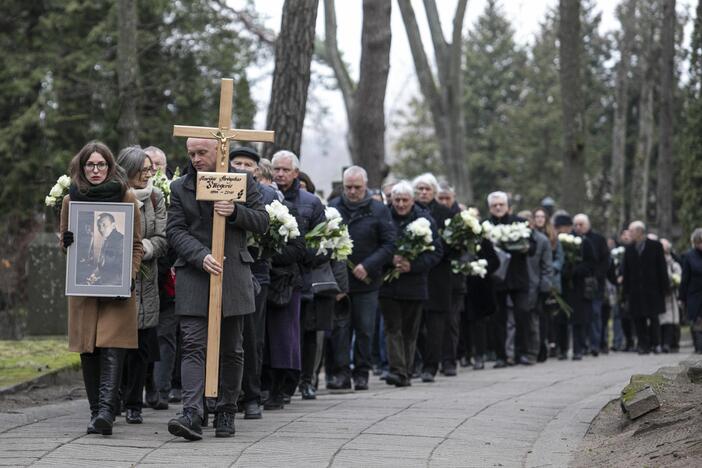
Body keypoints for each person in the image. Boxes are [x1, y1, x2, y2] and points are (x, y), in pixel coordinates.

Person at [166, 138, 268, 441]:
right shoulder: (180, 187)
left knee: (232, 348)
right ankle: (192, 413)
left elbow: (262, 222)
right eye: (191, 154)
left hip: (233, 273)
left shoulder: (243, 181)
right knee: (193, 344)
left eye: (201, 153)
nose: (196, 159)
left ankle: (226, 409)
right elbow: (174, 230)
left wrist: (236, 212)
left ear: (219, 152)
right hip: (196, 274)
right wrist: (200, 256)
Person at [59, 141, 143, 436]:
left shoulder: (126, 197)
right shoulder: (72, 200)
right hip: (84, 289)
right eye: (90, 165)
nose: (95, 170)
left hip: (118, 287)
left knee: (112, 343)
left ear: (110, 167)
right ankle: (96, 411)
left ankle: (107, 411)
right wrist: (66, 242)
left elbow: (136, 245)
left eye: (101, 164)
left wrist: (129, 275)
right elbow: (65, 246)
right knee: (88, 346)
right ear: (82, 168)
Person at [265, 150, 325, 407]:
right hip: (266, 278)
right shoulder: (264, 196)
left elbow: (319, 244)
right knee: (266, 336)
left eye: (285, 170)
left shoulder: (310, 202)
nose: (280, 174)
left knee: (287, 336)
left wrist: (287, 258)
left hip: (294, 279)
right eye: (276, 169)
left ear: (296, 173)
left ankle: (286, 385)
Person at [327, 166, 396, 391]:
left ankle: (362, 372)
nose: (353, 191)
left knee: (365, 329)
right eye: (348, 187)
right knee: (340, 329)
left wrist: (368, 265)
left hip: (367, 281)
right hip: (340, 280)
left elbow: (388, 244)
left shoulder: (378, 210)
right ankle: (341, 373)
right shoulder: (334, 208)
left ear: (365, 186)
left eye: (357, 187)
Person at [116, 146, 167, 424]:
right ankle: (115, 398)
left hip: (145, 280)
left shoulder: (156, 198)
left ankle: (134, 402)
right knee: (116, 342)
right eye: (143, 170)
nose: (149, 175)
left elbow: (162, 236)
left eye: (151, 169)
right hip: (116, 277)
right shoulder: (115, 195)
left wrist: (142, 249)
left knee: (141, 345)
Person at [229, 146, 281, 419]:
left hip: (255, 270)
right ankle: (226, 394)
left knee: (251, 336)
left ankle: (251, 394)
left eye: (248, 164)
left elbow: (276, 234)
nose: (241, 168)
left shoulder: (268, 195)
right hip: (223, 266)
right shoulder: (218, 187)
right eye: (236, 162)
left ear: (257, 170)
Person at [379, 181, 442, 387]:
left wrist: (412, 265)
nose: (400, 204)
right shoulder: (383, 217)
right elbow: (377, 245)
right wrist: (391, 260)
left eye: (405, 200)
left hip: (414, 283)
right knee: (392, 328)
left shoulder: (424, 220)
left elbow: (436, 252)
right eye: (397, 200)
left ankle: (406, 370)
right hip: (388, 283)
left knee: (409, 330)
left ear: (412, 200)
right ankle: (397, 370)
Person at [143, 146, 179, 410]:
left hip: (167, 276)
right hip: (143, 275)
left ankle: (161, 391)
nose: (154, 169)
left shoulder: (173, 192)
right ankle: (143, 388)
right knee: (143, 336)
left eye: (159, 164)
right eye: (149, 164)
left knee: (165, 335)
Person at [413, 173, 455, 381]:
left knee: (436, 324)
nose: (423, 192)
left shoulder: (444, 213)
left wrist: (431, 250)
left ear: (434, 192)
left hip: (438, 275)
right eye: (419, 189)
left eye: (427, 189)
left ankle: (431, 366)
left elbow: (451, 244)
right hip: (415, 274)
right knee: (416, 323)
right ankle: (419, 360)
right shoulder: (411, 211)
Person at [486, 191, 534, 367]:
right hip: (497, 278)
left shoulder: (520, 223)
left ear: (507, 206)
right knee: (498, 319)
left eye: (501, 204)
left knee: (522, 315)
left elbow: (533, 247)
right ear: (490, 208)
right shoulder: (485, 226)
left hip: (518, 277)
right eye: (494, 205)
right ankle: (501, 356)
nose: (498, 208)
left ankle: (522, 353)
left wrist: (525, 248)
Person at [622, 221, 668, 355]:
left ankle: (656, 343)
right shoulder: (629, 249)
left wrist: (664, 287)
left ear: (639, 232)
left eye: (631, 231)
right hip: (635, 290)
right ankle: (643, 345)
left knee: (654, 317)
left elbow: (661, 267)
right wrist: (625, 292)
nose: (629, 234)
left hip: (652, 289)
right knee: (638, 318)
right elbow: (627, 271)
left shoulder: (655, 246)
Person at [519, 210, 553, 364]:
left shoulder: (542, 240)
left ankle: (533, 352)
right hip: (518, 284)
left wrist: (544, 287)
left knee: (533, 322)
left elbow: (547, 266)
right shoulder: (514, 238)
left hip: (535, 286)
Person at [573, 214, 610, 356]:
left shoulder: (598, 239)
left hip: (594, 283)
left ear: (588, 225)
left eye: (581, 224)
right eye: (576, 224)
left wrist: (596, 275)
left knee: (595, 314)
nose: (578, 227)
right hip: (578, 285)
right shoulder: (572, 239)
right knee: (582, 315)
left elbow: (605, 261)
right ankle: (583, 344)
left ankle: (595, 344)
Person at [680, 228, 702, 353]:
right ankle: (698, 348)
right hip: (694, 295)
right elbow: (685, 278)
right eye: (699, 242)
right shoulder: (689, 256)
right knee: (697, 322)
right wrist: (682, 297)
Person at [659, 239, 681, 353]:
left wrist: (673, 280)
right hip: (659, 296)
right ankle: (661, 343)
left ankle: (669, 343)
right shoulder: (656, 263)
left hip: (671, 296)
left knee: (670, 320)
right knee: (660, 320)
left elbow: (678, 278)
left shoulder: (674, 264)